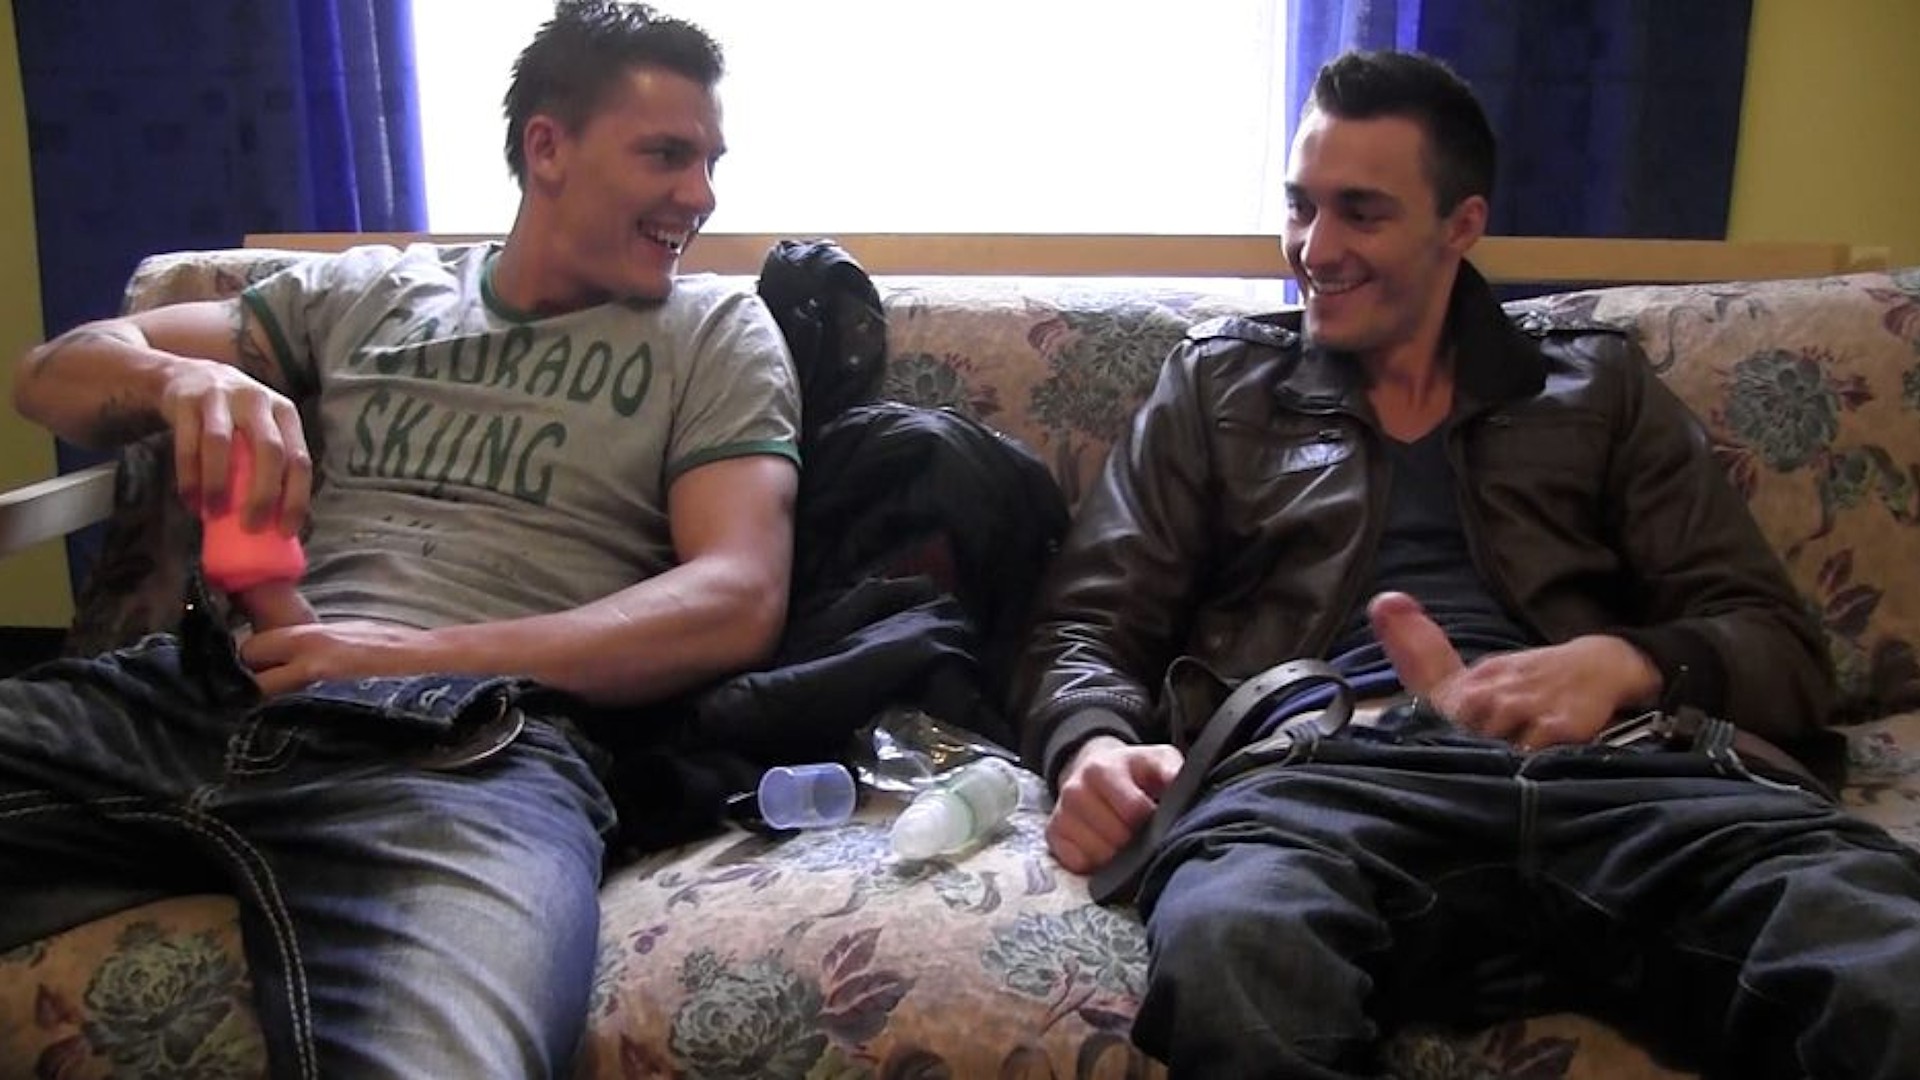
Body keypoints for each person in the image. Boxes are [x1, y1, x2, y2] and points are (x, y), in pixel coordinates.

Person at [1015, 48, 1920, 1080]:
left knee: (1891, 969)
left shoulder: (1601, 389)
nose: (1315, 248)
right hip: (1327, 784)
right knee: (1240, 954)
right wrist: (1089, 745)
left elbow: (1783, 650)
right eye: (1300, 205)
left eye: (1361, 213)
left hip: (1630, 779)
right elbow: (1085, 626)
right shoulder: (1218, 387)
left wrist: (1624, 664)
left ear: (1462, 224)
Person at [4, 2, 798, 1076]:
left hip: (468, 752)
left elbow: (738, 595)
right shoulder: (369, 290)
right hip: (192, 698)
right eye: (666, 155)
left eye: (710, 163)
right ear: (548, 148)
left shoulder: (716, 331)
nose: (700, 196)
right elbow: (50, 374)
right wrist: (179, 381)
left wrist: (410, 655)